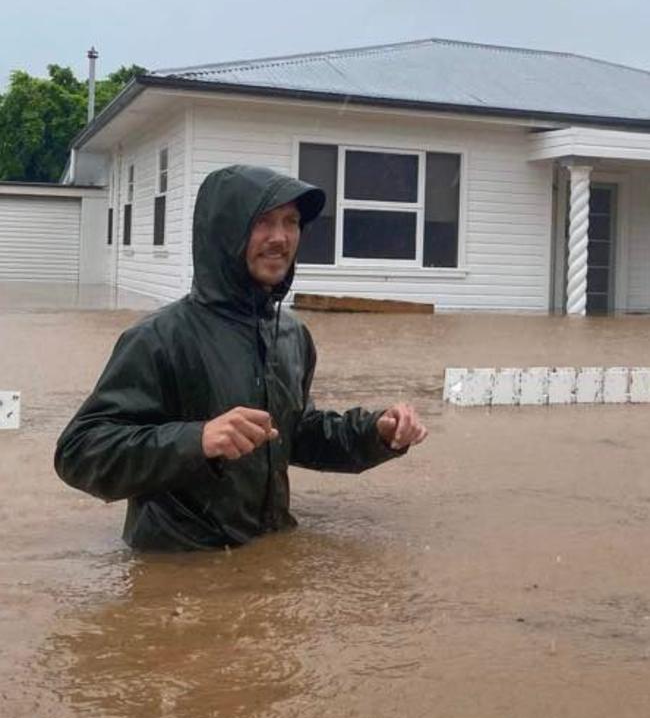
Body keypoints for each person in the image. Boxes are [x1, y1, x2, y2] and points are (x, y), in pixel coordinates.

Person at [54, 165, 427, 551]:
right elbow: (78, 453)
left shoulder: (291, 335)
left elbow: (296, 434)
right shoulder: (159, 338)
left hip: (268, 557)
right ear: (225, 232)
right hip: (179, 569)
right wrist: (197, 439)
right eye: (263, 222)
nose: (280, 238)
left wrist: (375, 433)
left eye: (291, 222)